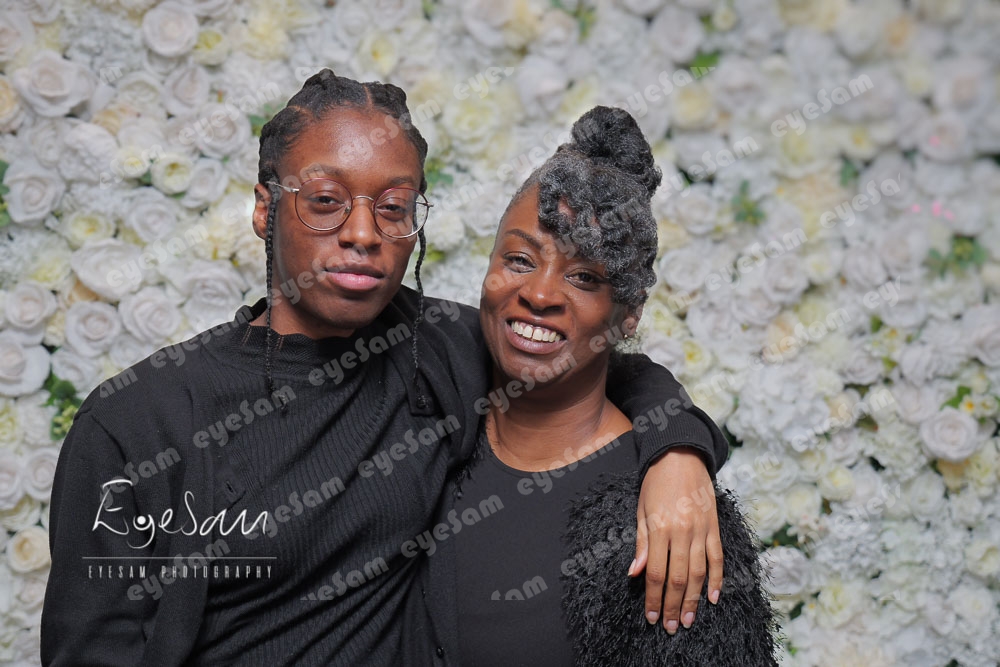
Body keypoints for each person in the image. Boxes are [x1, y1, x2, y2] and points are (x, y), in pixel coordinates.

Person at [40, 72, 727, 666]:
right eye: (325, 200)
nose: (364, 233)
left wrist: (678, 454)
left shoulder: (440, 349)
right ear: (264, 208)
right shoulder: (135, 423)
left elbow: (588, 351)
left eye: (393, 207)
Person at [422, 106, 778, 666]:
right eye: (519, 259)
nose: (540, 294)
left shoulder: (667, 522)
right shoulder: (426, 396)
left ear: (628, 313)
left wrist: (678, 449)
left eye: (584, 276)